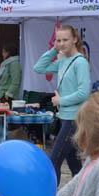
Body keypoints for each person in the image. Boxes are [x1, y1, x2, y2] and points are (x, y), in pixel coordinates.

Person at [33, 24, 91, 185]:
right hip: (65, 117)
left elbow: (83, 92)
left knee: (54, 160)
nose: (62, 44)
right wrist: (53, 50)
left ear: (75, 39)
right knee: (74, 164)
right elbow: (38, 68)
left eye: (65, 40)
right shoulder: (63, 60)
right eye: (58, 40)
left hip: (74, 118)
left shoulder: (80, 62)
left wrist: (61, 101)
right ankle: (83, 192)